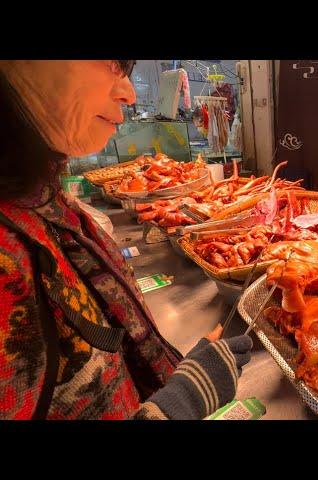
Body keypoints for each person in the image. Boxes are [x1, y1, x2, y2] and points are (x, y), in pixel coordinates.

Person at [0, 60, 252, 419]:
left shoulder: (41, 199)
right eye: (112, 63)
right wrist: (178, 405)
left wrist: (172, 380)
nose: (130, 93)